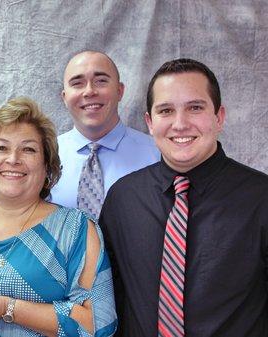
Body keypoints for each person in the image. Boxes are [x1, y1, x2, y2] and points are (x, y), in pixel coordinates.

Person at [99, 58, 268, 336]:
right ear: (150, 123)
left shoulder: (261, 199)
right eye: (166, 110)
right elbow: (108, 298)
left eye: (195, 108)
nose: (180, 124)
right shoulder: (123, 198)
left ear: (219, 117)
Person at [0, 97, 117, 336]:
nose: (13, 159)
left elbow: (99, 324)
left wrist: (7, 307)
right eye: (1, 148)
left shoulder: (76, 229)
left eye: (28, 149)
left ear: (46, 165)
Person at [50, 50, 159, 219]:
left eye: (101, 81)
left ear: (120, 91)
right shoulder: (45, 156)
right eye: (77, 83)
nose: (89, 91)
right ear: (64, 97)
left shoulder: (157, 154)